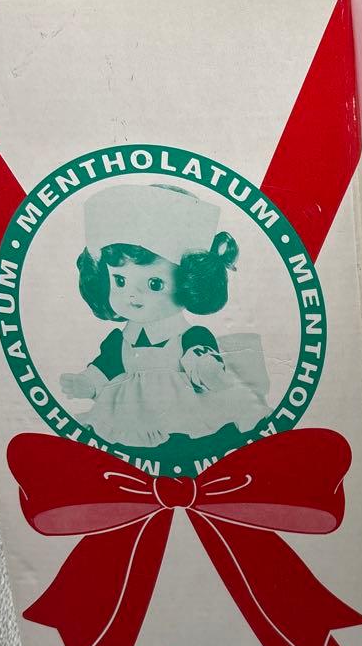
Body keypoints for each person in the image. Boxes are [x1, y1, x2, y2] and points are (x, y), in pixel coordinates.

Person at [62, 183, 267, 449]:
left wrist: (206, 370)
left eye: (154, 284)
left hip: (182, 410)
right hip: (130, 412)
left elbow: (199, 358)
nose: (132, 295)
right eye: (120, 280)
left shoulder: (190, 336)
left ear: (188, 284)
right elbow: (107, 367)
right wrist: (86, 382)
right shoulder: (120, 340)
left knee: (189, 442)